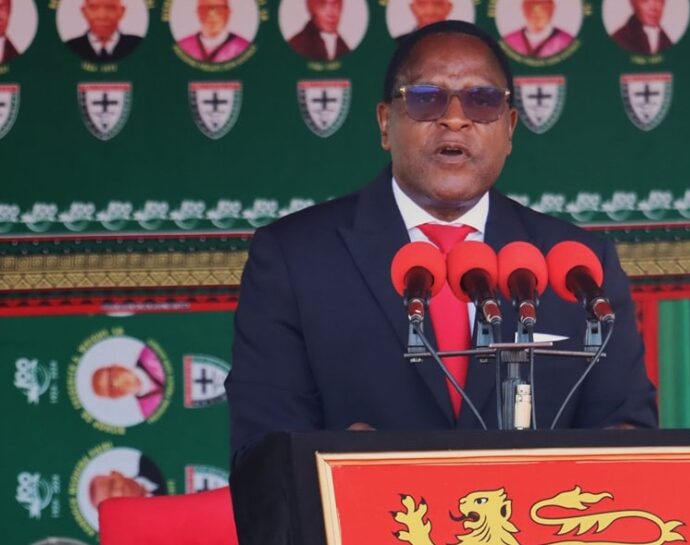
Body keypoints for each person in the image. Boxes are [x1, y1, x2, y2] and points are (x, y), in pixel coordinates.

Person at [226, 20, 657, 461]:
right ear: (384, 124)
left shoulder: (579, 267)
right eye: (426, 98)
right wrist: (334, 459)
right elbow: (262, 451)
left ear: (509, 130)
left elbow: (629, 434)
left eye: (482, 100)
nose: (455, 118)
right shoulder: (294, 259)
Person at [90, 347, 165, 419]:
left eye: (111, 380)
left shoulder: (151, 352)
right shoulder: (149, 413)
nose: (116, 385)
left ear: (117, 367)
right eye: (111, 391)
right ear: (116, 397)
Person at [65, 0, 142, 62]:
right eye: (93, 7)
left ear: (122, 11)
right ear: (84, 12)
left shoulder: (137, 44)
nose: (102, 16)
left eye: (111, 8)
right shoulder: (70, 46)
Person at [177, 0, 250, 63]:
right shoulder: (182, 46)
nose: (212, 14)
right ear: (198, 13)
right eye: (205, 8)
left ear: (229, 12)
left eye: (219, 8)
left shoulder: (244, 47)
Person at [502, 0, 574, 58]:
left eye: (543, 10)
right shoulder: (509, 40)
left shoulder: (566, 40)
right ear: (524, 11)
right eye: (532, 12)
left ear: (552, 12)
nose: (537, 17)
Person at [88, 457, 166, 508]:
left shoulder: (148, 462)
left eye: (112, 485)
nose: (119, 491)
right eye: (112, 501)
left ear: (115, 473)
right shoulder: (150, 522)